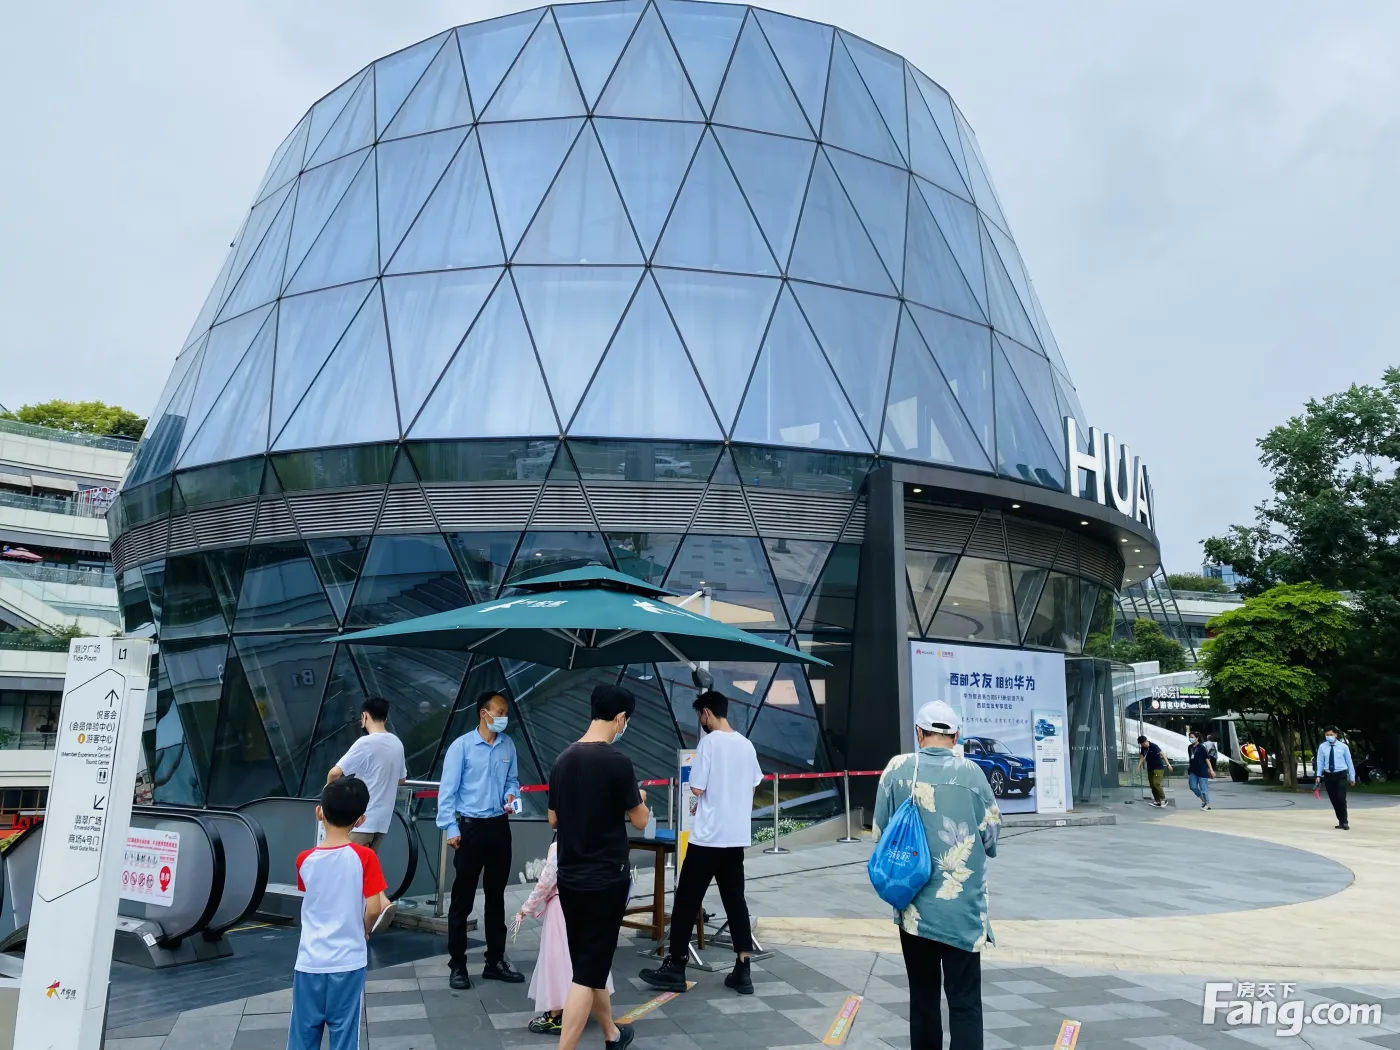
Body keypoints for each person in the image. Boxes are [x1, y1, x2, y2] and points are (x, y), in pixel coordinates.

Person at [873, 701, 999, 1050]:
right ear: (956, 736)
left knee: (923, 999)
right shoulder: (972, 773)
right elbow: (991, 839)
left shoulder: (897, 770)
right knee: (965, 1003)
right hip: (963, 910)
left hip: (914, 908)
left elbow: (880, 832)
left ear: (919, 733)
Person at [640, 689, 763, 995]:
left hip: (708, 837)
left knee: (687, 900)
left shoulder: (709, 743)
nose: (701, 722)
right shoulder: (747, 745)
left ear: (707, 713)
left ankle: (676, 965)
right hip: (735, 837)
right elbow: (752, 787)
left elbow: (695, 788)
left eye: (700, 716)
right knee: (735, 900)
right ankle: (743, 968)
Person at [548, 684, 650, 1050]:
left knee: (589, 961)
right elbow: (640, 820)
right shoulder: (617, 762)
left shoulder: (563, 759)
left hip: (570, 877)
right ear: (620, 718)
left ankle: (612, 1034)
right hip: (606, 879)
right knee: (587, 972)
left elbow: (553, 819)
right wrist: (640, 798)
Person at [288, 776, 388, 1050]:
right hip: (348, 961)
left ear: (319, 812)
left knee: (303, 1034)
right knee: (344, 1033)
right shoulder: (365, 857)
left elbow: (310, 892)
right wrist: (365, 928)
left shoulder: (304, 859)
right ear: (361, 820)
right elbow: (374, 907)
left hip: (310, 961)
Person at [438, 692, 524, 990]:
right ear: (483, 713)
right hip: (470, 829)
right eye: (499, 711)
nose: (504, 717)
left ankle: (495, 961)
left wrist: (511, 795)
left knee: (496, 896)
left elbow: (512, 780)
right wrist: (451, 828)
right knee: (462, 899)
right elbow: (447, 791)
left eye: (505, 712)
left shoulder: (507, 745)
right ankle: (457, 964)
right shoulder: (461, 747)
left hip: (499, 826)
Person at [514, 841, 615, 1035]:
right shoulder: (594, 840)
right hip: (589, 905)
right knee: (585, 958)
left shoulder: (561, 845)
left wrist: (527, 907)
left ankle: (557, 1013)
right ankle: (581, 1006)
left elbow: (546, 880)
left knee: (558, 959)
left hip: (562, 907)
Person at [327, 696, 407, 851]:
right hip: (382, 823)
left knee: (349, 863)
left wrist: (328, 795)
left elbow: (335, 773)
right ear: (385, 718)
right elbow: (402, 779)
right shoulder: (397, 743)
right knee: (367, 864)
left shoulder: (365, 743)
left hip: (360, 822)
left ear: (365, 716)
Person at [1314, 727, 1355, 830]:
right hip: (1328, 775)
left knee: (1341, 798)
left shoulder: (1343, 747)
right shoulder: (1322, 747)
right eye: (1327, 735)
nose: (1329, 737)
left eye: (1331, 735)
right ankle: (1340, 821)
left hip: (1341, 774)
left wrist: (1352, 777)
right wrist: (1318, 775)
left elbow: (1349, 762)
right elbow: (1320, 761)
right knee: (1334, 800)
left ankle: (1344, 821)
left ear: (1336, 735)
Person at [1135, 735, 1174, 806]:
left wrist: (1168, 764)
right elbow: (1142, 758)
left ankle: (1163, 799)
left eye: (1144, 743)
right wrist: (1138, 766)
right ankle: (1157, 800)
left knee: (1156, 783)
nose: (1143, 745)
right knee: (1152, 785)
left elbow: (1163, 754)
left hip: (1158, 768)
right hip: (1150, 768)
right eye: (1141, 744)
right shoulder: (1143, 748)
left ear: (1146, 741)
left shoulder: (1154, 746)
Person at [1186, 731, 1215, 810]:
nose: (1191, 739)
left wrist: (1211, 770)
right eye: (1190, 737)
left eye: (1192, 737)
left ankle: (1207, 804)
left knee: (1203, 788)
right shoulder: (1190, 747)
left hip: (1202, 770)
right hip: (1193, 770)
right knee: (1192, 786)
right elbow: (1191, 758)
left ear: (1197, 738)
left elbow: (1207, 759)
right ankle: (1204, 801)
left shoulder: (1201, 747)